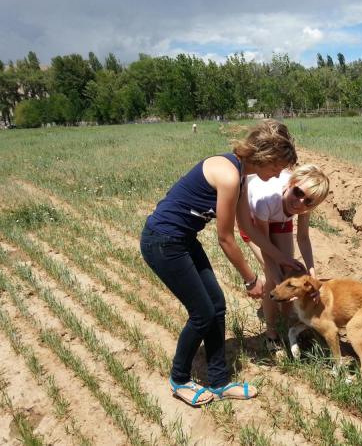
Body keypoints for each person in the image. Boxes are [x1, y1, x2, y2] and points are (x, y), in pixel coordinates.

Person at [140, 120, 302, 407]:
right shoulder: (228, 176)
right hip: (162, 242)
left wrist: (284, 259)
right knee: (202, 313)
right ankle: (179, 379)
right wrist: (251, 279)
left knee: (216, 306)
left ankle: (219, 382)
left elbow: (249, 230)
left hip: (183, 240)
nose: (279, 173)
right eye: (279, 166)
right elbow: (226, 239)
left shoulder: (240, 175)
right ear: (265, 157)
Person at [239, 164, 329, 350]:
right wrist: (278, 280)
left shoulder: (303, 204)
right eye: (298, 192)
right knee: (274, 277)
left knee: (291, 273)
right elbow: (266, 246)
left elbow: (303, 238)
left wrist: (313, 277)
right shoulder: (265, 198)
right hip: (255, 222)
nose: (300, 202)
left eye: (309, 202)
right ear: (291, 183)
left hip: (280, 219)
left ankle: (288, 326)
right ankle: (271, 334)